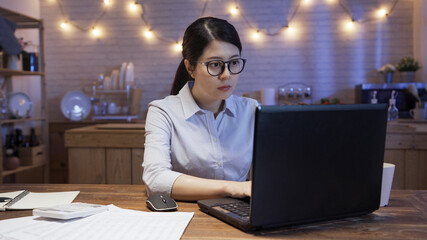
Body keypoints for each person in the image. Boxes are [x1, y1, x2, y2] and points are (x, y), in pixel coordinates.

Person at [142, 17, 258, 201]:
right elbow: (156, 180)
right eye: (215, 65)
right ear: (190, 67)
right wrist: (233, 187)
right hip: (183, 216)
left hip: (239, 214)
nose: (226, 75)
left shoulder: (251, 110)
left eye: (234, 62)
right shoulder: (162, 111)